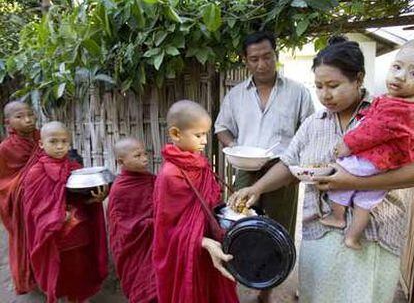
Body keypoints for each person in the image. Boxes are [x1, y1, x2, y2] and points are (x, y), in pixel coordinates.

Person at [229, 37, 413, 303]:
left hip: (374, 234)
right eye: (318, 87)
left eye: (334, 86)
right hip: (321, 232)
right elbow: (289, 164)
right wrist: (256, 188)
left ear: (358, 79)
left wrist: (352, 182)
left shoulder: (391, 113)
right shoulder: (314, 123)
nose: (325, 94)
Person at [215, 31, 314, 237]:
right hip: (246, 171)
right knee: (241, 225)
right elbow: (221, 127)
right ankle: (245, 267)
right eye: (254, 59)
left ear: (275, 55)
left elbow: (309, 132)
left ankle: (278, 268)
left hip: (282, 170)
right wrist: (235, 147)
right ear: (246, 61)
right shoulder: (236, 95)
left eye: (267, 56)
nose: (262, 64)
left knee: (279, 229)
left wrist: (298, 169)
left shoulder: (298, 92)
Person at [319, 40, 414, 249]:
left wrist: (347, 144)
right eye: (397, 67)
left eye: (333, 86)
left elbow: (374, 131)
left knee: (338, 172)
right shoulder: (394, 101)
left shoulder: (399, 107)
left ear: (359, 79)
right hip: (386, 162)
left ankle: (338, 216)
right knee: (365, 203)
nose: (399, 76)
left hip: (375, 160)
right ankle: (352, 236)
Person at [153, 100, 238, 303]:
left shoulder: (198, 163)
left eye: (206, 134)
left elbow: (209, 203)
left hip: (210, 244)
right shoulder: (170, 175)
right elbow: (166, 228)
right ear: (176, 134)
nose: (205, 141)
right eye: (198, 135)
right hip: (187, 252)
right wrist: (201, 240)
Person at [23, 121, 108, 303]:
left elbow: (83, 200)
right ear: (41, 144)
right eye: (53, 141)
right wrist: (55, 216)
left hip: (80, 234)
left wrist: (95, 200)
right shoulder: (35, 173)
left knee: (80, 273)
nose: (60, 146)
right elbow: (33, 209)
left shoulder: (75, 170)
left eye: (64, 141)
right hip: (55, 237)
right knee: (59, 276)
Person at [108, 137, 157, 303]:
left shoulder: (149, 179)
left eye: (145, 154)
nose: (144, 158)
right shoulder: (120, 189)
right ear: (121, 162)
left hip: (154, 243)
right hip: (136, 245)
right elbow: (122, 225)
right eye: (137, 155)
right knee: (143, 287)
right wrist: (153, 223)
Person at [0, 101, 40, 298]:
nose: (27, 120)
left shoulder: (43, 137)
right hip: (22, 203)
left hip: (46, 197)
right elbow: (4, 183)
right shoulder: (5, 149)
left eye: (30, 115)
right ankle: (30, 278)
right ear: (8, 122)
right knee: (27, 239)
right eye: (19, 117)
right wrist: (26, 182)